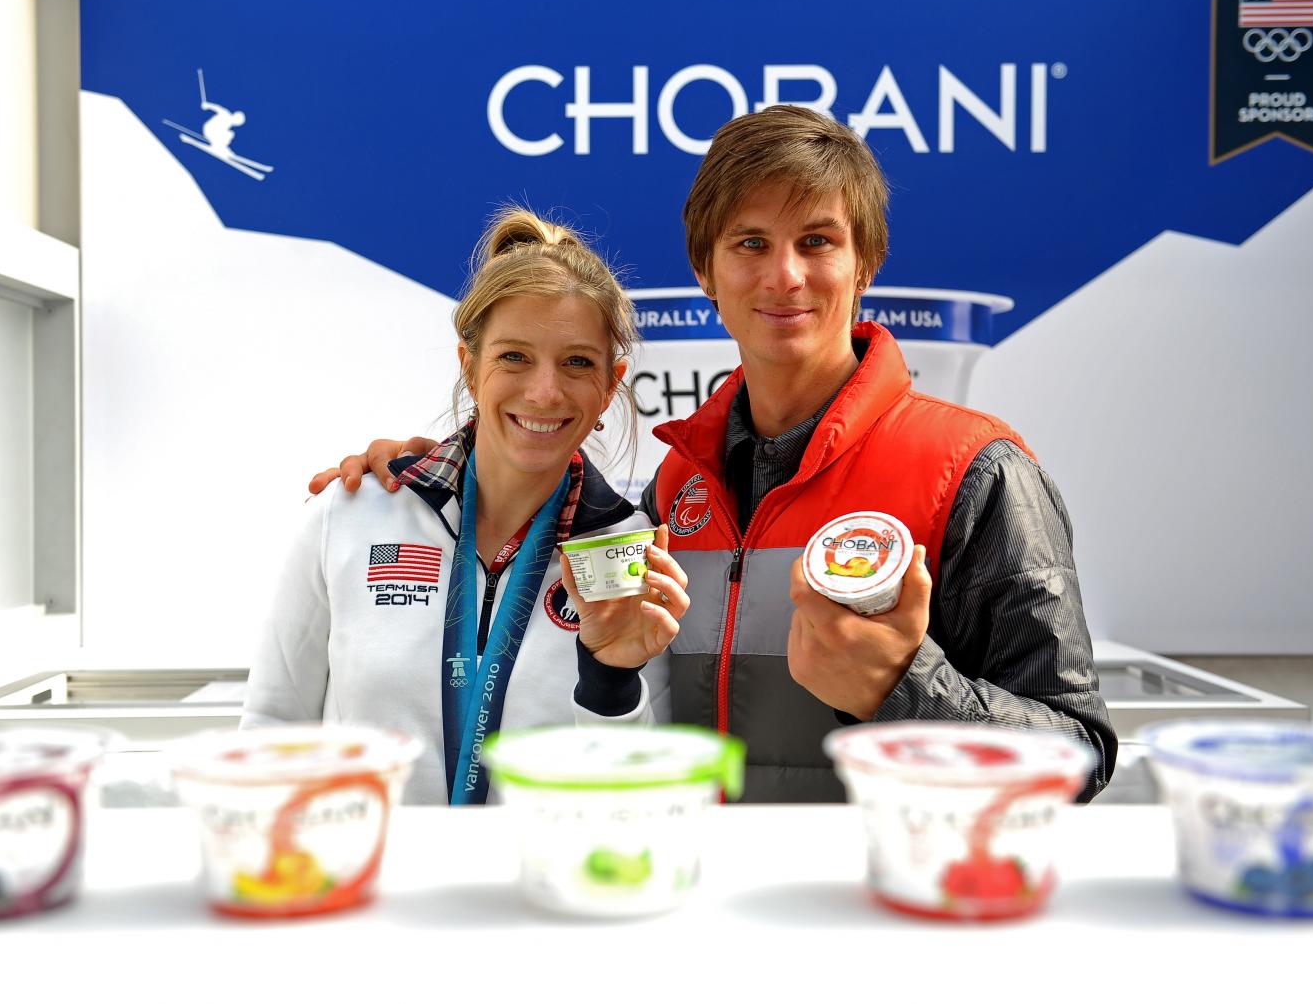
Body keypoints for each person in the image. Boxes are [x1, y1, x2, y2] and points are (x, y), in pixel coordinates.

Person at [310, 107, 1118, 803]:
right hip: (697, 905)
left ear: (865, 263)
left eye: (817, 240)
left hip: (881, 910)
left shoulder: (976, 471)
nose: (785, 276)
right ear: (706, 271)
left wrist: (905, 687)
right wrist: (439, 477)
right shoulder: (675, 487)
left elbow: (1079, 756)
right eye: (750, 243)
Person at [245, 208, 690, 805]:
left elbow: (640, 800)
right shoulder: (351, 514)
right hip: (370, 864)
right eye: (514, 357)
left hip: (537, 867)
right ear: (470, 366)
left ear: (611, 385)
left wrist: (609, 679)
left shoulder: (627, 551)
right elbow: (273, 729)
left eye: (577, 362)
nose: (544, 392)